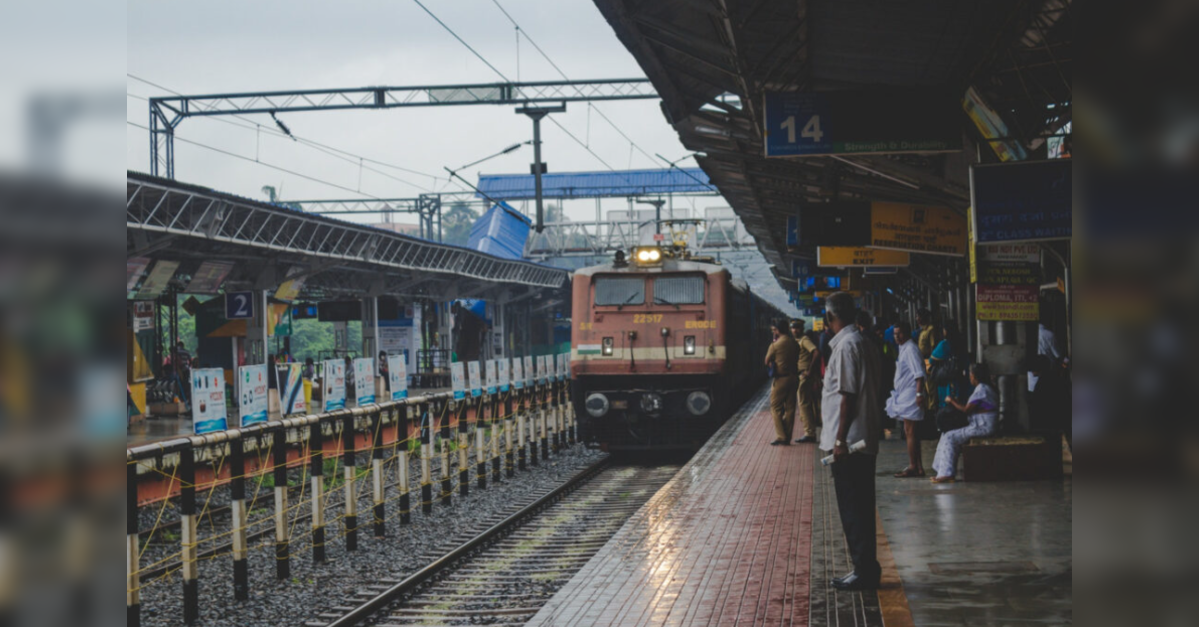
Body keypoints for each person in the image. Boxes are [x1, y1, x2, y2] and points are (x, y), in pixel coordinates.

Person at [821, 292, 884, 591]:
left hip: (851, 444)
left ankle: (863, 570)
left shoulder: (847, 347)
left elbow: (847, 396)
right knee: (861, 504)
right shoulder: (863, 343)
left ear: (831, 318)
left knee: (853, 507)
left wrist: (839, 440)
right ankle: (867, 567)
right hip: (863, 438)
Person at [931, 363, 999, 483]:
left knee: (950, 437)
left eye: (971, 375)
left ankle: (947, 473)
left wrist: (952, 401)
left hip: (983, 427)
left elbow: (967, 410)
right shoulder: (984, 388)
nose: (970, 377)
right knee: (946, 433)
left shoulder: (982, 389)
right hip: (980, 424)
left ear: (975, 376)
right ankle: (941, 470)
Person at [886, 322, 927, 477]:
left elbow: (919, 373)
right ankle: (919, 466)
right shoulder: (904, 348)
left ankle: (912, 466)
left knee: (909, 432)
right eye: (895, 333)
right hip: (906, 394)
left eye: (900, 333)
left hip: (911, 395)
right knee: (913, 433)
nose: (897, 336)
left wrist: (918, 394)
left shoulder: (910, 349)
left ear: (907, 333)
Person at [764, 319, 800, 445]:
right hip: (794, 378)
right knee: (790, 408)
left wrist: (774, 366)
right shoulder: (794, 343)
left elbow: (767, 360)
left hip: (781, 379)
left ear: (778, 331)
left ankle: (781, 436)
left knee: (775, 406)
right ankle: (788, 436)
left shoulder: (775, 345)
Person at [789, 319, 821, 443]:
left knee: (804, 404)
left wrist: (810, 370)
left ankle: (810, 433)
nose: (794, 330)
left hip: (804, 375)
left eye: (797, 327)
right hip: (800, 375)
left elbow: (816, 352)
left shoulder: (804, 340)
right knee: (804, 403)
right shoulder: (797, 341)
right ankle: (809, 431)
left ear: (802, 329)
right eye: (793, 327)